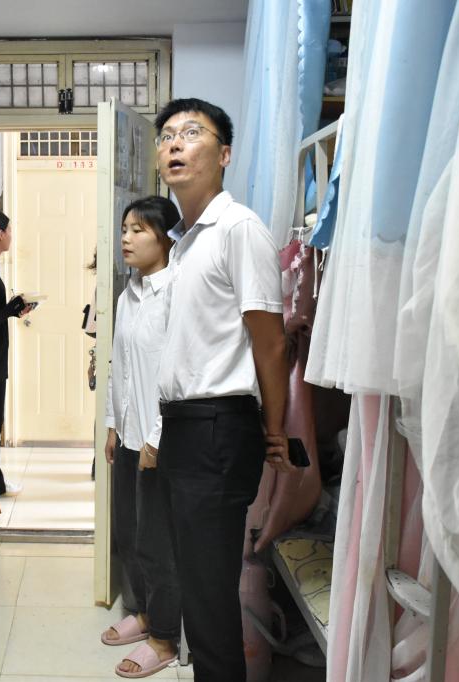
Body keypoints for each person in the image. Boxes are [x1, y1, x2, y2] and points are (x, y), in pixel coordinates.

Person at [151, 98, 292, 681]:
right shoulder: (185, 241)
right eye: (166, 135)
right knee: (198, 589)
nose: (174, 144)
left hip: (218, 426)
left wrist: (275, 429)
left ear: (225, 153)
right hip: (185, 426)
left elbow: (271, 341)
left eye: (191, 133)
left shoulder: (238, 229)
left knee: (209, 597)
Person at [101, 196, 183, 678]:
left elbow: (177, 374)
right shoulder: (127, 293)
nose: (126, 238)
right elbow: (120, 367)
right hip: (130, 434)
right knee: (129, 534)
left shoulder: (177, 291)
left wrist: (155, 437)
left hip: (160, 439)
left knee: (158, 541)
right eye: (124, 229)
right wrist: (114, 424)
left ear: (166, 239)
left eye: (138, 230)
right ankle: (147, 614)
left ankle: (165, 637)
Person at [0, 209, 32, 497]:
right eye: (9, 230)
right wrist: (9, 310)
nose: (11, 235)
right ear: (0, 234)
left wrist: (12, 309)